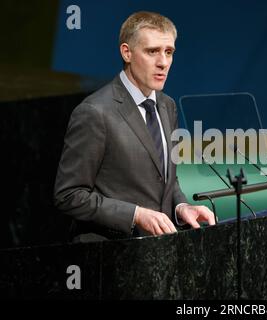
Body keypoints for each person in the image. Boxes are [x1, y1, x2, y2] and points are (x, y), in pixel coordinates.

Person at [54, 11, 215, 242]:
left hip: (157, 252)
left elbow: (165, 179)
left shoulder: (167, 106)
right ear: (126, 52)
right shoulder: (94, 112)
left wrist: (181, 207)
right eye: (152, 52)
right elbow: (68, 195)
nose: (163, 63)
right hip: (108, 255)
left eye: (169, 52)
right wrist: (135, 215)